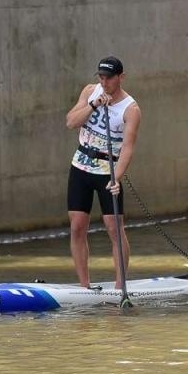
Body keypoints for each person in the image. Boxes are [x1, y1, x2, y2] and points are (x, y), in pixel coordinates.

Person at [64, 56, 142, 289]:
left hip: (108, 171)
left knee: (114, 228)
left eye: (109, 77)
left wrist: (117, 178)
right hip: (80, 166)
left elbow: (128, 148)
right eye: (101, 76)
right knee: (77, 226)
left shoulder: (131, 109)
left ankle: (120, 285)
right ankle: (84, 285)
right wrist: (93, 104)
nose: (104, 81)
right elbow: (70, 122)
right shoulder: (90, 91)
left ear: (121, 77)